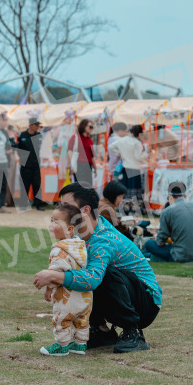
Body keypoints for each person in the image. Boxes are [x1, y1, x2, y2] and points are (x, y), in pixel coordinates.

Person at [33, 183, 162, 353]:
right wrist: (54, 280)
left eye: (67, 206)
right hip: (127, 294)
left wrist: (54, 277)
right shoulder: (78, 237)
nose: (61, 210)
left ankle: (133, 332)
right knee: (80, 270)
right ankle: (100, 330)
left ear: (85, 210)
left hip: (146, 302)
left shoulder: (104, 239)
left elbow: (93, 279)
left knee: (101, 273)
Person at [38, 202, 93, 356]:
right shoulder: (81, 245)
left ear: (69, 228)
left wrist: (48, 289)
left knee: (61, 320)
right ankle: (80, 344)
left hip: (66, 297)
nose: (51, 224)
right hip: (85, 297)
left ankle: (62, 345)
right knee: (82, 321)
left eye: (56, 221)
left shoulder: (58, 250)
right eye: (51, 220)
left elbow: (54, 273)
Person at [143, 181, 193, 263]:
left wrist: (156, 235)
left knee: (149, 244)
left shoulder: (167, 211)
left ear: (170, 197)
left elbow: (160, 242)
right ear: (185, 196)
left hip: (182, 255)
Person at [109, 122, 147, 209]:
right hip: (135, 168)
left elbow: (111, 147)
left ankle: (124, 207)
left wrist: (120, 154)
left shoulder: (123, 139)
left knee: (126, 189)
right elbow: (139, 157)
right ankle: (133, 208)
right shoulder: (137, 143)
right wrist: (146, 152)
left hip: (125, 167)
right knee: (134, 191)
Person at [16, 118, 45, 210]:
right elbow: (18, 148)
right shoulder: (23, 135)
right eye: (36, 125)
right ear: (30, 125)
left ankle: (38, 204)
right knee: (25, 185)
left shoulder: (39, 136)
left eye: (38, 125)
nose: (37, 127)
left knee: (37, 185)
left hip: (36, 165)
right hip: (25, 166)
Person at [67, 119, 95, 186]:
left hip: (88, 166)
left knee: (88, 186)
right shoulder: (75, 137)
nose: (91, 129)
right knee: (79, 187)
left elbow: (92, 156)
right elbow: (69, 152)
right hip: (78, 165)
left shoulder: (90, 140)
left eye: (92, 127)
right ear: (84, 126)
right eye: (90, 127)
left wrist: (95, 168)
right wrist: (69, 165)